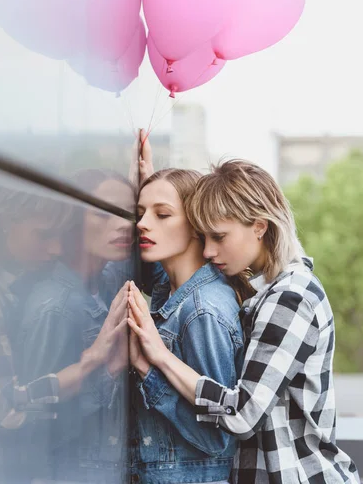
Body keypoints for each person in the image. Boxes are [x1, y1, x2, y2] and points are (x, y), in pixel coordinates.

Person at [128, 159, 360, 484]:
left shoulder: (291, 297)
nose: (208, 250)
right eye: (203, 236)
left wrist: (159, 358)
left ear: (259, 227)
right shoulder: (262, 290)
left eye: (219, 237)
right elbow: (171, 280)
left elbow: (242, 415)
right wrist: (155, 187)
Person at [0, 183, 125, 484]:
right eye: (44, 235)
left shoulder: (19, 285)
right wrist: (94, 362)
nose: (56, 249)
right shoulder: (37, 302)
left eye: (60, 236)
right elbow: (7, 408)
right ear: (7, 223)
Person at [128, 161, 247, 484]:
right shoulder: (174, 289)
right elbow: (157, 279)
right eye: (140, 212)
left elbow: (216, 437)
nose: (142, 223)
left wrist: (149, 371)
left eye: (162, 214)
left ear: (197, 225)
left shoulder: (202, 311)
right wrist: (152, 181)